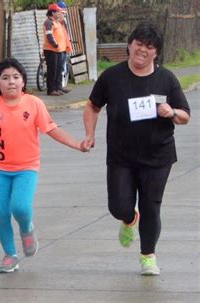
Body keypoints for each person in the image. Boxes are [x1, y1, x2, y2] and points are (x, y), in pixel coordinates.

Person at [0, 58, 88, 273]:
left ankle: (27, 229)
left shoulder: (34, 104)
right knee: (1, 213)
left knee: (21, 207)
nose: (11, 82)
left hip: (27, 168)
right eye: (5, 78)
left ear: (23, 82)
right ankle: (10, 254)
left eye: (16, 77)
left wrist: (77, 144)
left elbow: (52, 129)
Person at [81, 22, 190, 276]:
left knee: (151, 205)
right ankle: (129, 219)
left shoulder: (166, 78)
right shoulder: (112, 76)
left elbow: (185, 115)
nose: (143, 50)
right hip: (121, 155)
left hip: (158, 156)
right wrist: (89, 134)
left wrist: (171, 112)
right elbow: (92, 107)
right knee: (118, 206)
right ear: (129, 45)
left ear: (156, 53)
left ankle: (148, 255)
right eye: (139, 44)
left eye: (149, 47)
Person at [42, 3, 69, 96]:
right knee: (52, 70)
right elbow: (49, 35)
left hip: (58, 50)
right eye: (58, 11)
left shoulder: (57, 22)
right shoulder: (48, 22)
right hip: (51, 50)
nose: (59, 13)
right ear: (52, 13)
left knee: (57, 70)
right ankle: (51, 90)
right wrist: (55, 45)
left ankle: (57, 88)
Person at [56, 0, 72, 93]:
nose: (63, 12)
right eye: (62, 10)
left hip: (63, 46)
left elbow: (65, 33)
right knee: (59, 68)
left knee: (61, 67)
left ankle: (60, 86)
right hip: (59, 47)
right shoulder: (57, 22)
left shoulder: (63, 21)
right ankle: (58, 87)